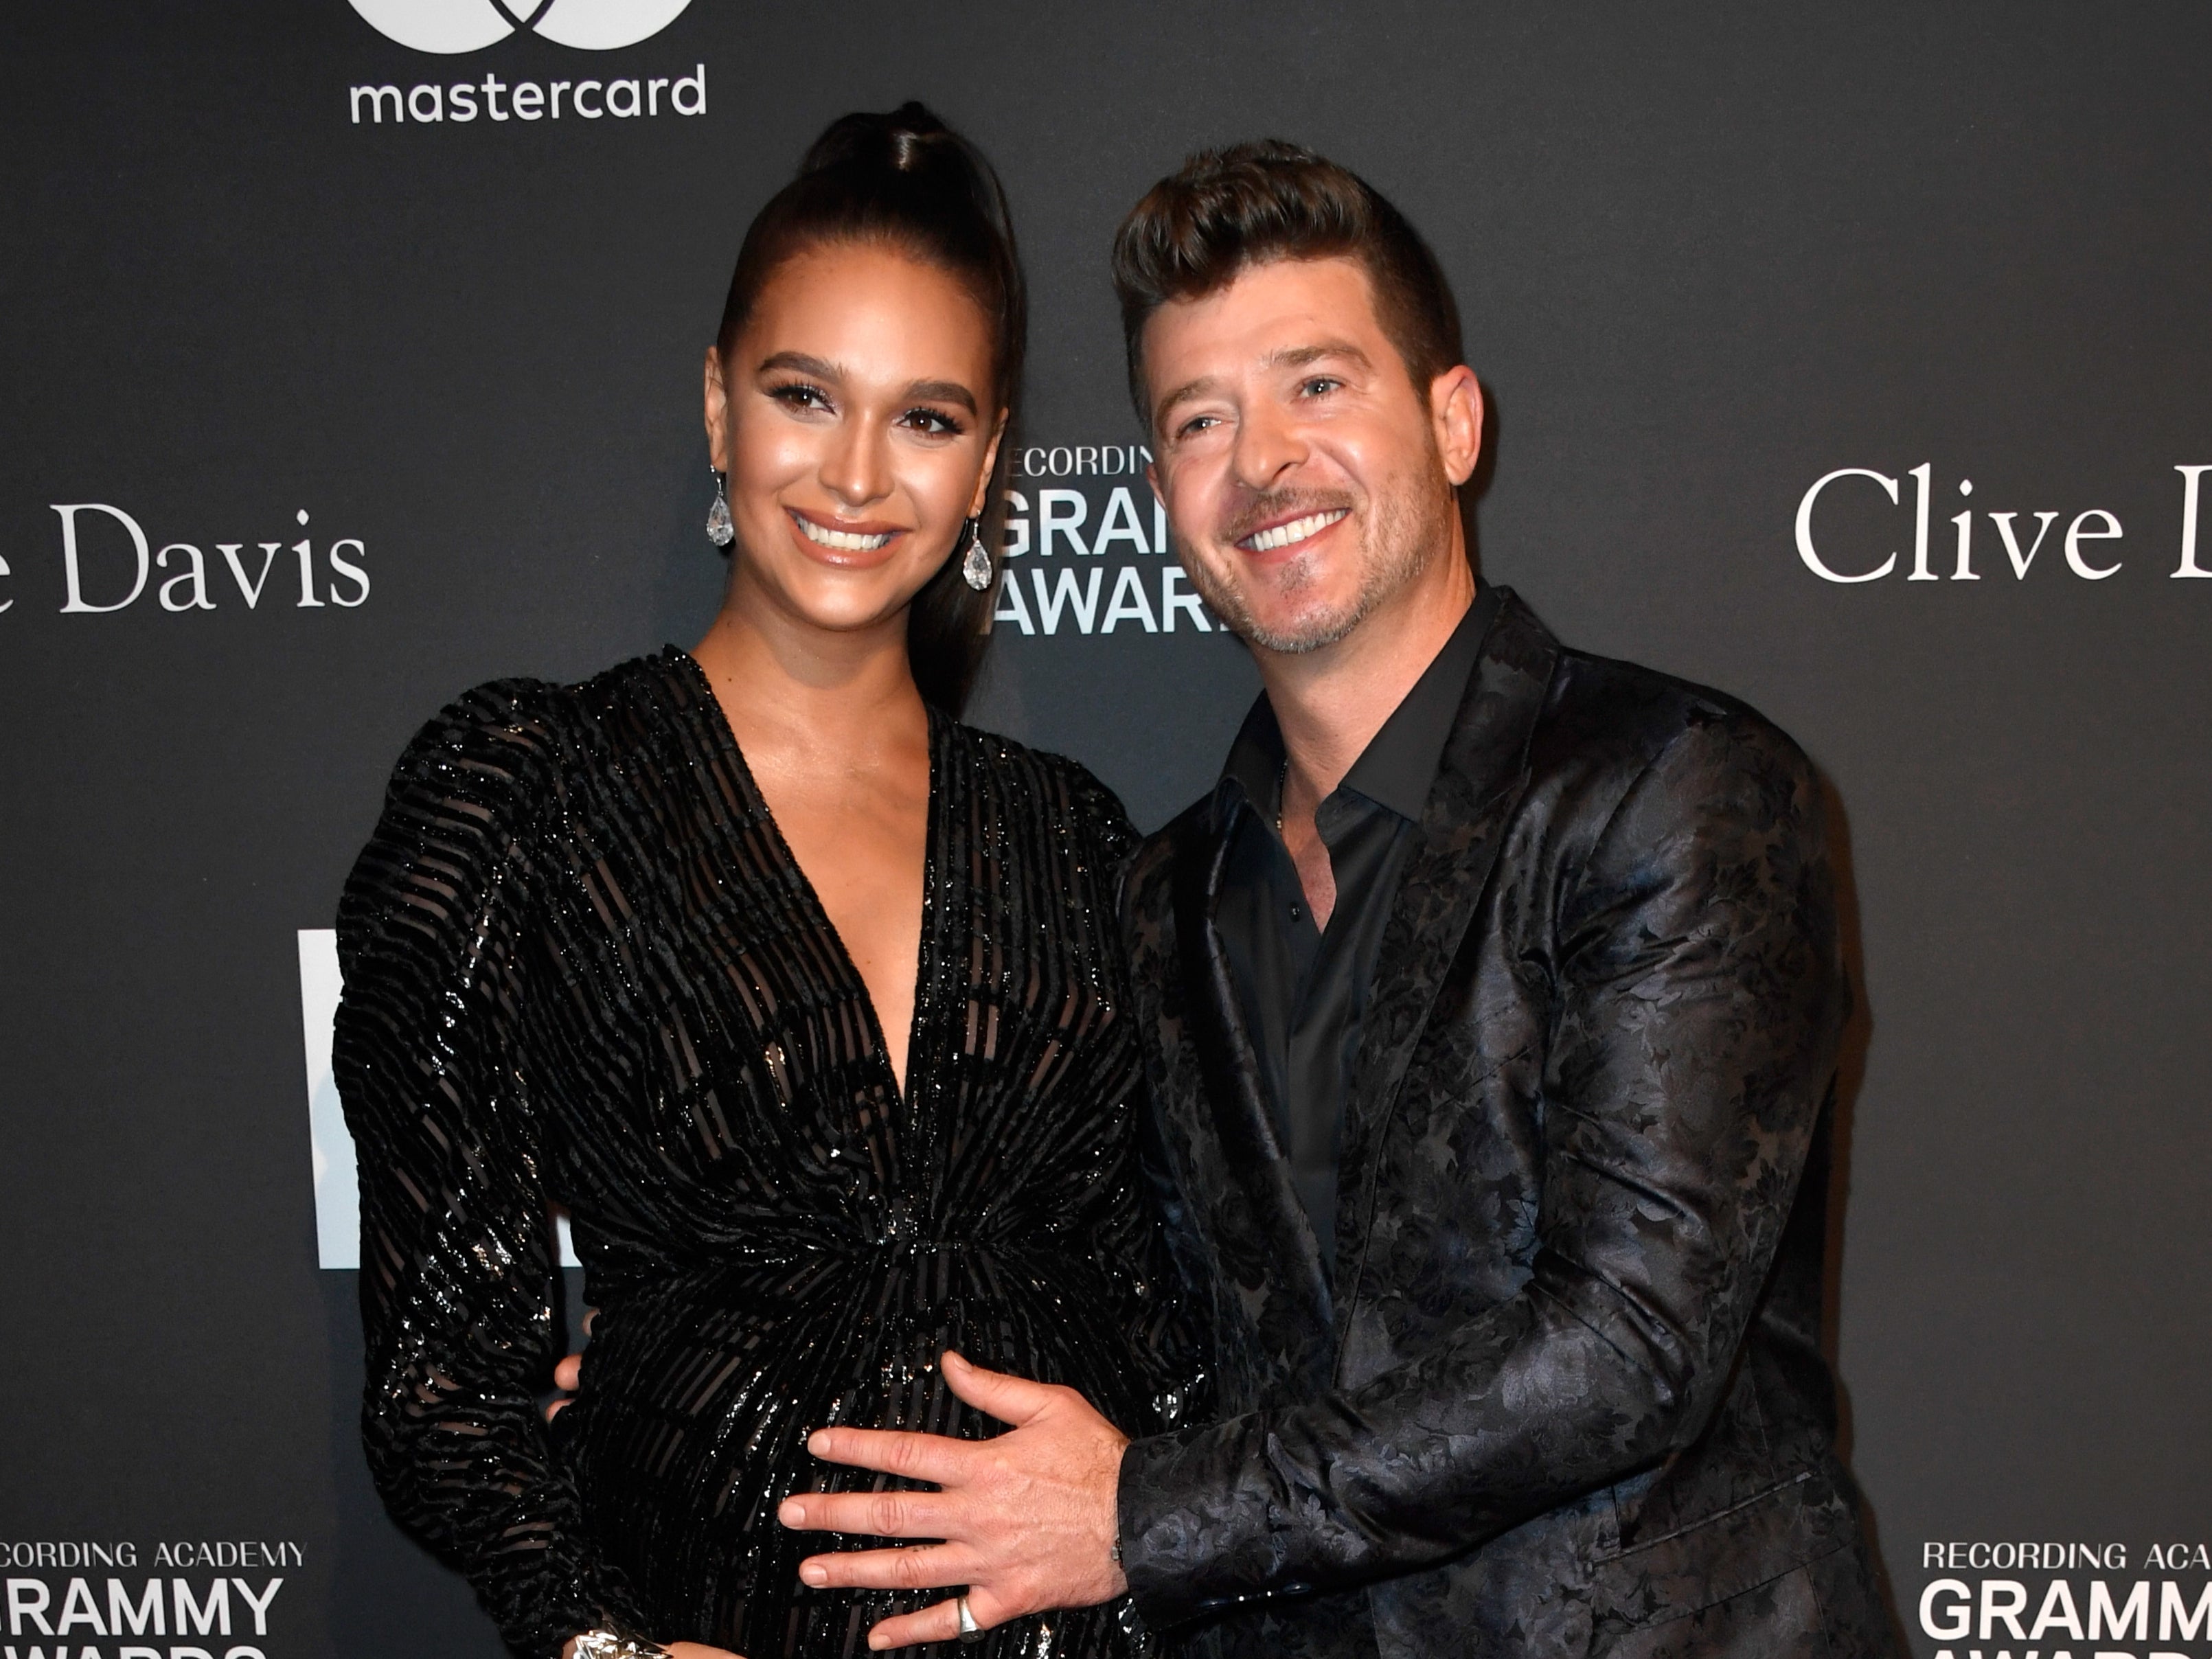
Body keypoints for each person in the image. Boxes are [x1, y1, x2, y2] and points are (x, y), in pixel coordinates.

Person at [777, 141, 1902, 1659]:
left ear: (1452, 419)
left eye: (1318, 385)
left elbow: (1627, 1346)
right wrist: (714, 1358)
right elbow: (1123, 1316)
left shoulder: (1675, 786)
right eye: (1200, 418)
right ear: (1164, 488)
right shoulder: (1161, 892)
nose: (1262, 462)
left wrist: (1138, 1518)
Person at [334, 104, 1195, 1659]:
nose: (859, 473)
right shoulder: (527, 785)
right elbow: (441, 1372)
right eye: (807, 394)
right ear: (719, 404)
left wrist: (1145, 1496)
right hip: (706, 1621)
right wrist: (595, 1639)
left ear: (991, 456)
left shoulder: (1073, 835)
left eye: (927, 418)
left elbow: (1164, 1305)